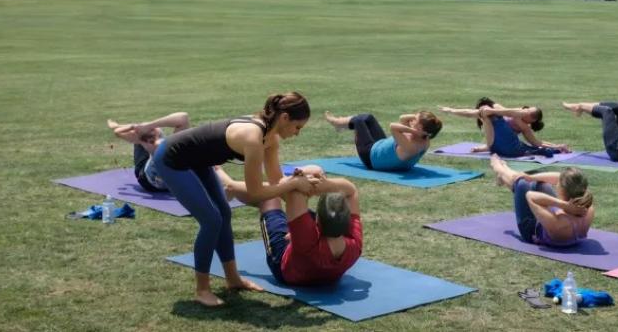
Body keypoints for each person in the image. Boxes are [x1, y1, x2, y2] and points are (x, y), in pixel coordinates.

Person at [151, 92, 315, 306]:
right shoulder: (253, 138)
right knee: (211, 221)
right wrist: (293, 185)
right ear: (284, 118)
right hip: (170, 157)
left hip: (199, 159)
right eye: (298, 127)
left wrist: (300, 186)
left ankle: (233, 279)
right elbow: (256, 192)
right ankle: (202, 290)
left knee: (224, 214)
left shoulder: (271, 138)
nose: (297, 133)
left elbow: (276, 180)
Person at [215, 166, 362, 287]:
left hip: (285, 267)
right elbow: (352, 190)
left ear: (317, 223)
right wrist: (322, 183)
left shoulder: (307, 239)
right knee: (304, 178)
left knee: (270, 198)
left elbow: (290, 188)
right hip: (316, 263)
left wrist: (304, 179)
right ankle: (232, 187)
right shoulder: (355, 244)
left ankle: (231, 186)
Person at [489, 155, 594, 247]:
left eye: (558, 184)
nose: (556, 184)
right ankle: (504, 171)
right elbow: (561, 178)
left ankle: (498, 168)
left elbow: (530, 196)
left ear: (562, 189)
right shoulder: (587, 207)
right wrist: (530, 177)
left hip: (531, 231)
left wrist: (564, 205)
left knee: (522, 184)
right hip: (554, 218)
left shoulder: (561, 224)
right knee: (540, 183)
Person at [439, 98, 569, 157]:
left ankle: (486, 145)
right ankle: (486, 145)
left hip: (503, 145)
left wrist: (556, 146)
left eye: (529, 112)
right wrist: (450, 110)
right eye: (527, 109)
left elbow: (537, 142)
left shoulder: (523, 125)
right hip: (498, 144)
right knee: (488, 115)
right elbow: (469, 113)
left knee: (488, 115)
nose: (525, 111)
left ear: (532, 120)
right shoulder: (513, 113)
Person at [323, 110, 442, 171]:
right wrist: (419, 119)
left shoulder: (411, 146)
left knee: (359, 120)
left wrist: (414, 130)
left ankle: (337, 123)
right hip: (382, 148)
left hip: (370, 157)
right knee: (368, 117)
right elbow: (402, 118)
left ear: (420, 128)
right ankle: (339, 124)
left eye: (415, 119)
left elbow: (393, 126)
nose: (412, 119)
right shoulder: (425, 140)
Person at [107, 112, 192, 192]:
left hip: (153, 180)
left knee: (142, 136)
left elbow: (117, 132)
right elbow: (183, 117)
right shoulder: (160, 144)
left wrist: (133, 126)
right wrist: (147, 126)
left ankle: (141, 129)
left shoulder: (150, 142)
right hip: (160, 182)